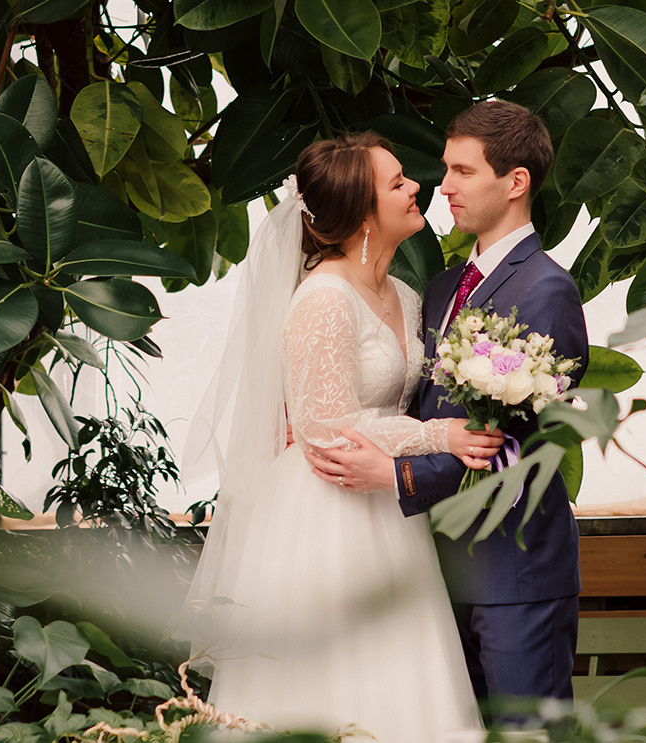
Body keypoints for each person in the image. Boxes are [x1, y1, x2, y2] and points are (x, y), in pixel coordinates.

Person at [178, 131, 506, 743]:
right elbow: (322, 426)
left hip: (387, 502)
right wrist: (443, 436)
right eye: (397, 183)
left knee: (402, 676)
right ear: (362, 215)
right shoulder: (323, 298)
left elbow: (394, 401)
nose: (417, 188)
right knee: (337, 679)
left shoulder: (405, 297)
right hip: (325, 508)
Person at [305, 101, 589, 719]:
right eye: (445, 169)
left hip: (514, 574)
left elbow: (520, 443)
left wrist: (396, 475)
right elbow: (412, 406)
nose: (445, 186)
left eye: (462, 171)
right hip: (432, 569)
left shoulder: (546, 290)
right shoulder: (437, 289)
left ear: (515, 182)